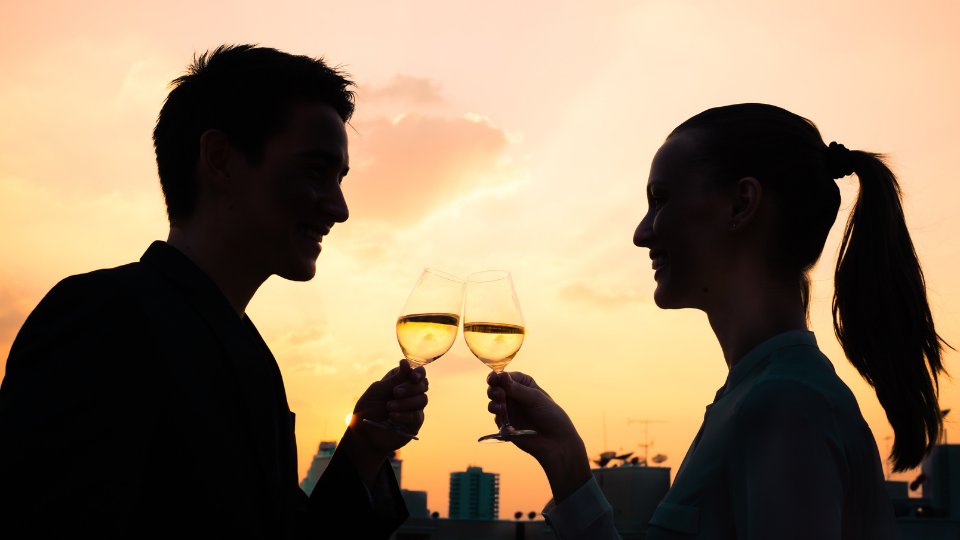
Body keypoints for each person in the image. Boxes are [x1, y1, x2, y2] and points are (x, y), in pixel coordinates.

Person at [0, 44, 427, 539]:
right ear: (220, 160)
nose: (338, 207)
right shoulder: (101, 318)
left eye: (340, 178)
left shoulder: (249, 354)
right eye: (315, 171)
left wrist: (364, 450)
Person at [487, 103, 948, 539]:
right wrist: (567, 463)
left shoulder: (784, 404)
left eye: (660, 200)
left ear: (741, 204)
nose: (641, 233)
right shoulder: (759, 395)